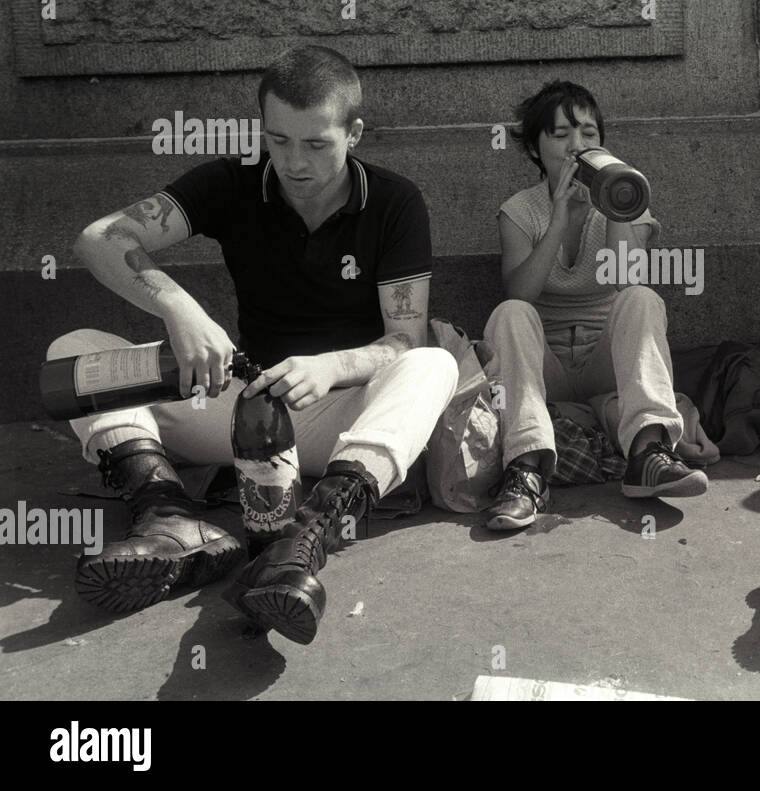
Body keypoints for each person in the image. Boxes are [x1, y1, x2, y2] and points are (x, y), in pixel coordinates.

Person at [46, 45, 458, 645]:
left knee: (433, 363)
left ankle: (302, 540)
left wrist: (332, 365)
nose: (294, 161)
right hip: (243, 408)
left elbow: (403, 338)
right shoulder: (231, 180)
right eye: (279, 140)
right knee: (75, 350)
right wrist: (181, 310)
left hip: (340, 422)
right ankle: (168, 519)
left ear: (355, 133)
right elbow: (99, 238)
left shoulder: (395, 202)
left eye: (316, 144)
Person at [480, 80, 707, 530]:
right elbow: (519, 293)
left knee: (643, 298)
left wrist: (614, 208)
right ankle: (527, 470)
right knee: (509, 314)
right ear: (535, 148)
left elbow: (626, 280)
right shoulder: (519, 211)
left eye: (587, 133)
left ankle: (648, 452)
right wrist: (559, 214)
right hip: (549, 368)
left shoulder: (627, 198)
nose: (575, 145)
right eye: (560, 134)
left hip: (605, 362)